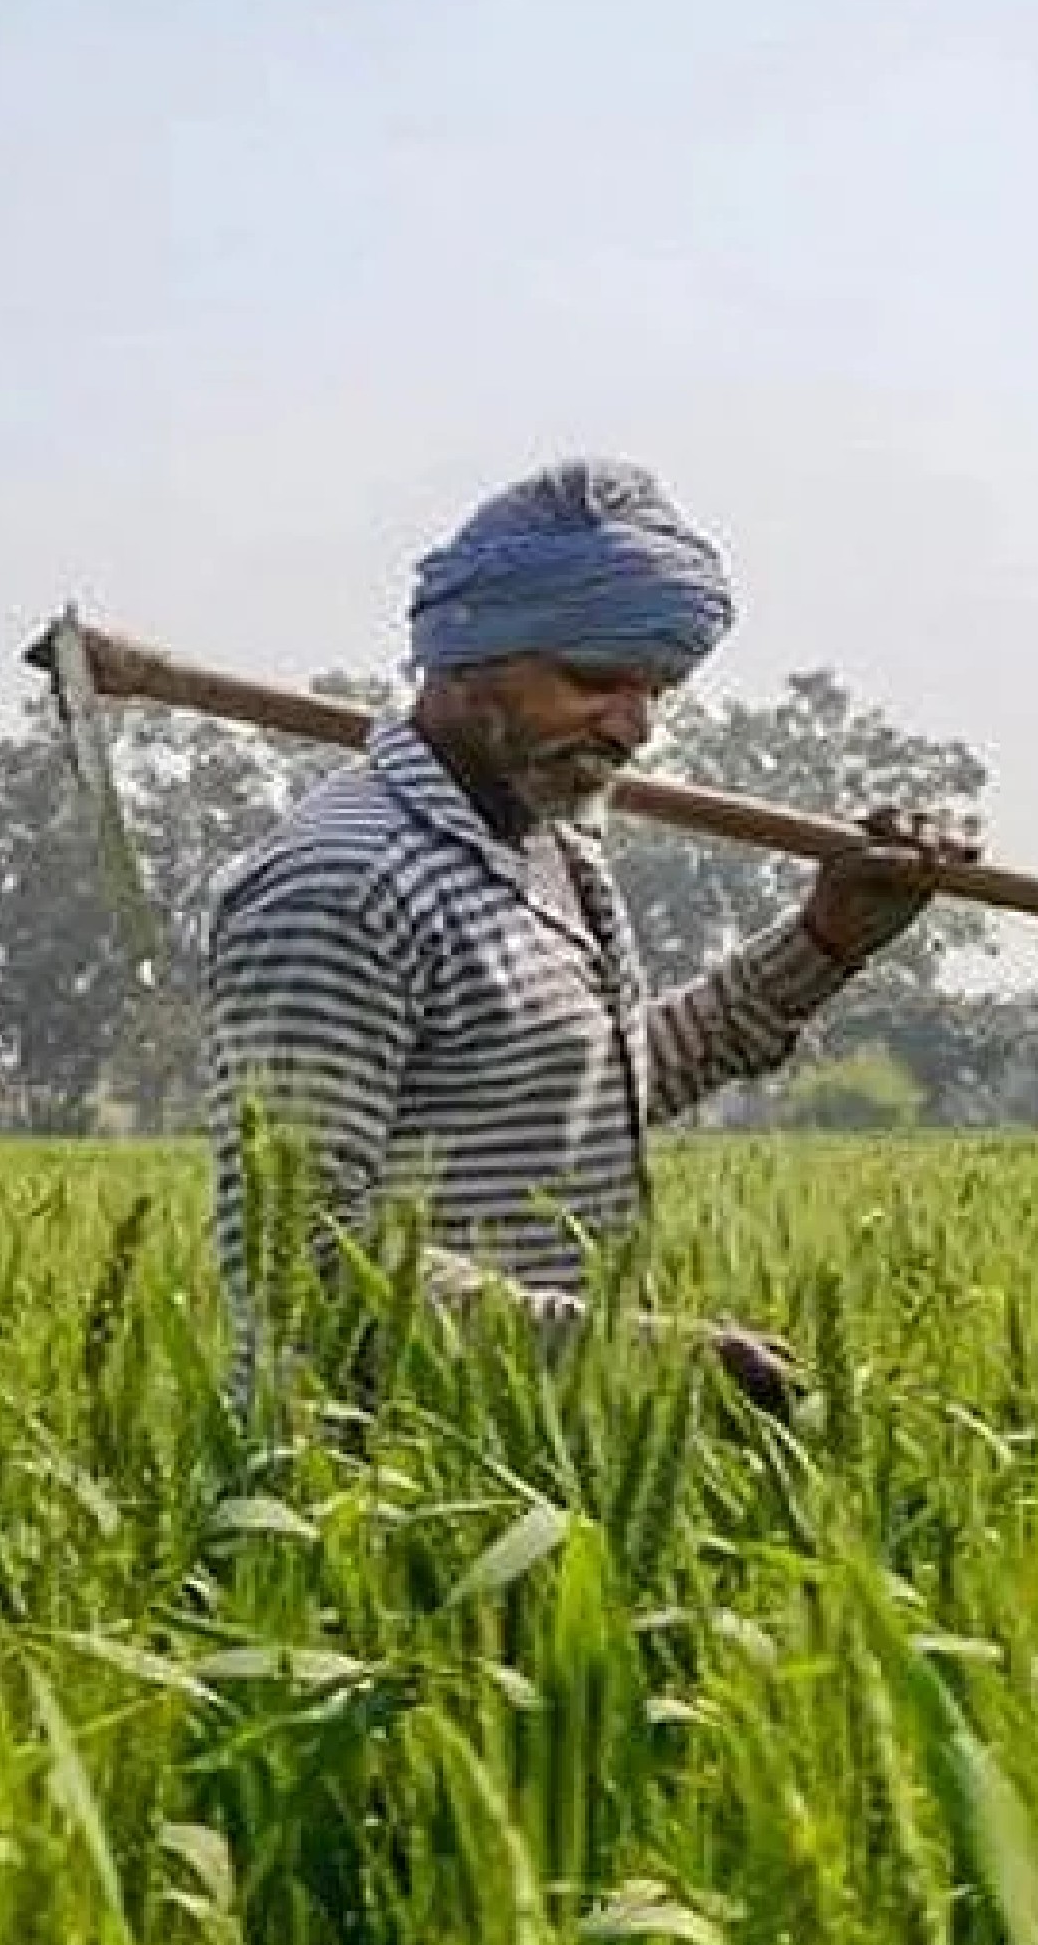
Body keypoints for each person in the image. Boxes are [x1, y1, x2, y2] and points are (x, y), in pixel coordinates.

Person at [198, 457, 976, 1415]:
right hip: (369, 1492)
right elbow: (301, 1256)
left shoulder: (549, 847)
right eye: (597, 679)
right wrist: (638, 1356)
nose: (636, 726)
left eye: (657, 690)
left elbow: (595, 1086)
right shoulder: (342, 886)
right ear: (469, 655)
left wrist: (826, 940)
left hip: (543, 1457)